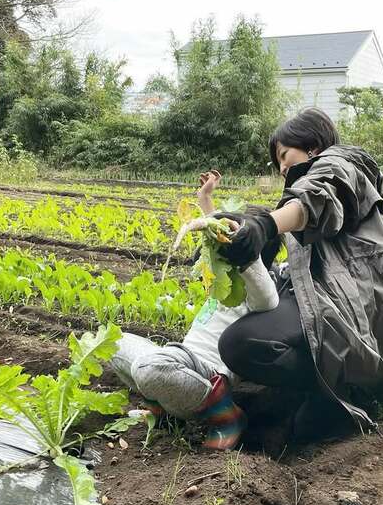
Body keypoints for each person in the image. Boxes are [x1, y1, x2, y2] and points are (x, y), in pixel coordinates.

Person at [215, 108, 383, 441]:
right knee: (252, 325)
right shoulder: (321, 179)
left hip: (361, 305)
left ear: (312, 146)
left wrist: (266, 225)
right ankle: (325, 385)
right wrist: (247, 230)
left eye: (284, 155)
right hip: (339, 295)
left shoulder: (343, 164)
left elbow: (318, 198)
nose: (281, 167)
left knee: (241, 343)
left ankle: (341, 394)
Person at [110, 170, 280, 450]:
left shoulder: (260, 286)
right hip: (183, 358)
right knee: (114, 343)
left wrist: (248, 256)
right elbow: (215, 227)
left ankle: (226, 417)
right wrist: (205, 199)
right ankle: (165, 411)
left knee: (149, 369)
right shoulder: (224, 273)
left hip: (209, 372)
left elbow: (268, 300)